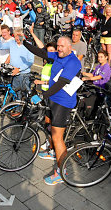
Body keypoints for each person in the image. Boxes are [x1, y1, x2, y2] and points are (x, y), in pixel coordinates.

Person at [24, 36, 82, 185]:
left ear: (70, 47)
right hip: (53, 98)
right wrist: (23, 41)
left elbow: (61, 83)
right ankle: (52, 151)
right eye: (58, 46)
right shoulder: (57, 54)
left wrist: (43, 95)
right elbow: (41, 53)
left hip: (63, 102)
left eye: (62, 46)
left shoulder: (73, 62)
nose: (59, 49)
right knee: (49, 126)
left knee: (57, 137)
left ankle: (62, 172)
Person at [0, 27, 34, 99]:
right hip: (13, 73)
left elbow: (31, 61)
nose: (17, 38)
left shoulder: (29, 45)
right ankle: (16, 109)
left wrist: (19, 69)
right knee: (15, 94)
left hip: (24, 74)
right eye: (15, 36)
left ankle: (22, 109)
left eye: (19, 36)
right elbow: (0, 47)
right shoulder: (12, 43)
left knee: (24, 95)